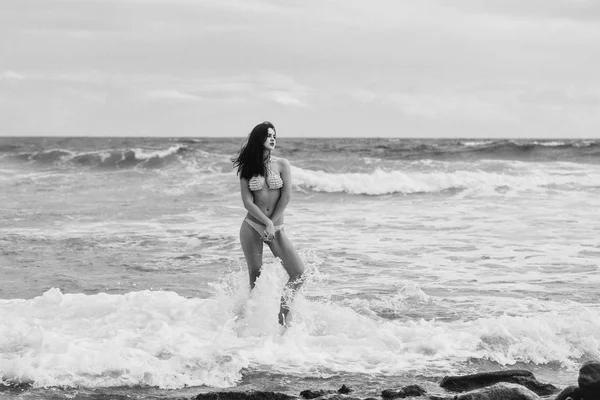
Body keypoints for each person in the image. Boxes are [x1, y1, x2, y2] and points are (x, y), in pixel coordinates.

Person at [232, 121, 305, 326]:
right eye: (268, 135)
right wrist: (265, 223)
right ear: (259, 139)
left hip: (276, 228)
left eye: (274, 135)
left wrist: (272, 224)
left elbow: (286, 197)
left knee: (298, 274)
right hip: (252, 226)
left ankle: (281, 321)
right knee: (255, 277)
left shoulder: (282, 164)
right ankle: (247, 323)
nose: (273, 139)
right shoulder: (247, 167)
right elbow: (247, 202)